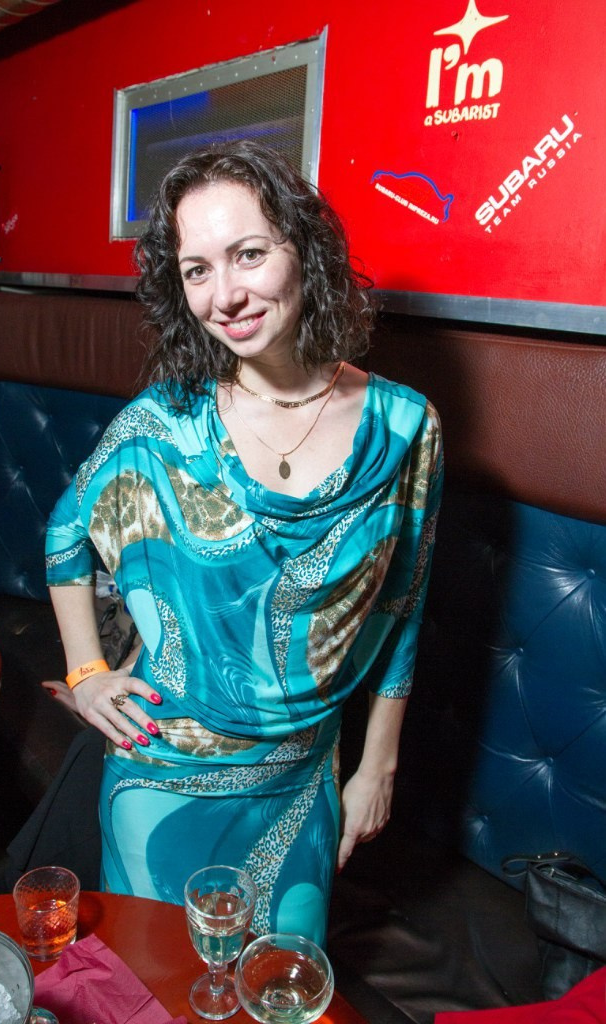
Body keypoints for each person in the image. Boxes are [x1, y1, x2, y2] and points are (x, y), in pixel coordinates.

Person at [45, 139, 443, 946]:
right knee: (154, 983)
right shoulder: (162, 423)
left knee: (281, 984)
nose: (224, 295)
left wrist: (378, 766)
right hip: (158, 773)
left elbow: (403, 604)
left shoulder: (405, 427)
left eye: (248, 254)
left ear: (306, 250)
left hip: (300, 781)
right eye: (197, 270)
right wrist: (87, 675)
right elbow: (65, 530)